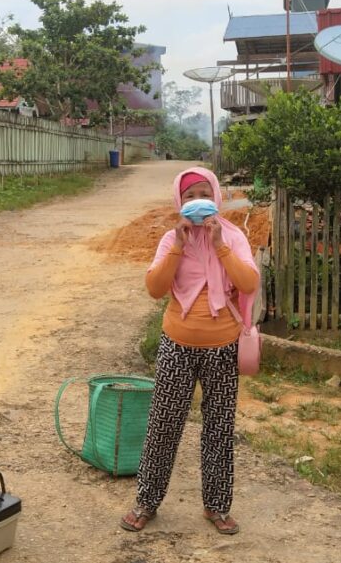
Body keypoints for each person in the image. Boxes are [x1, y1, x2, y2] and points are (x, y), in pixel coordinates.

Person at [121, 167, 259, 535]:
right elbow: (155, 287)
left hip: (223, 347)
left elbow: (249, 282)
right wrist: (181, 244)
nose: (198, 200)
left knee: (218, 428)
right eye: (189, 196)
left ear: (216, 196)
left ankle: (217, 506)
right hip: (177, 346)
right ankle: (147, 501)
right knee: (163, 426)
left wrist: (218, 244)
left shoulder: (232, 236)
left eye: (204, 193)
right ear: (179, 203)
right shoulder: (171, 239)